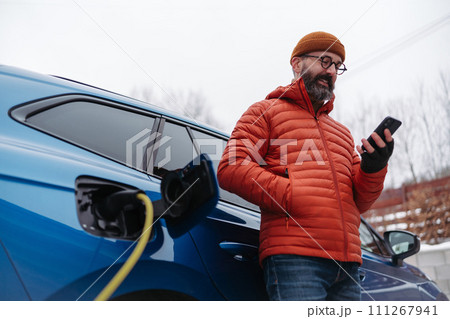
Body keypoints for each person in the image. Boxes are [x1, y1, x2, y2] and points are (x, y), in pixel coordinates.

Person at [217, 31, 394, 301]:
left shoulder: (342, 133)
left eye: (337, 65)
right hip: (295, 259)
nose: (332, 71)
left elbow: (359, 202)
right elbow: (231, 167)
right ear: (297, 64)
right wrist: (292, 195)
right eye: (325, 61)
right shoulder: (265, 112)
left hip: (347, 265)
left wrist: (374, 166)